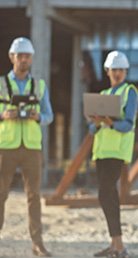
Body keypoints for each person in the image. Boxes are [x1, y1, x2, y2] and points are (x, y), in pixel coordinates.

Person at [0, 37, 53, 257]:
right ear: (12, 57)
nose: (23, 60)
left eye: (27, 56)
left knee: (34, 196)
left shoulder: (39, 85)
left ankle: (37, 244)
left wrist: (38, 116)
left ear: (32, 59)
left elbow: (49, 115)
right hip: (6, 147)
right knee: (0, 195)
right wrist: (3, 114)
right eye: (19, 56)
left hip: (32, 147)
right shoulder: (1, 84)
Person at [88, 51, 138, 258]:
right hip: (101, 152)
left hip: (117, 152)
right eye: (114, 70)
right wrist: (97, 123)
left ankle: (118, 246)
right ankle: (116, 246)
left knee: (104, 194)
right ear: (107, 71)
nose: (117, 73)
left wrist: (111, 123)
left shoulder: (130, 92)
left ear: (125, 71)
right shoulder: (102, 95)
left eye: (121, 70)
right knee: (110, 197)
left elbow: (128, 125)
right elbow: (92, 130)